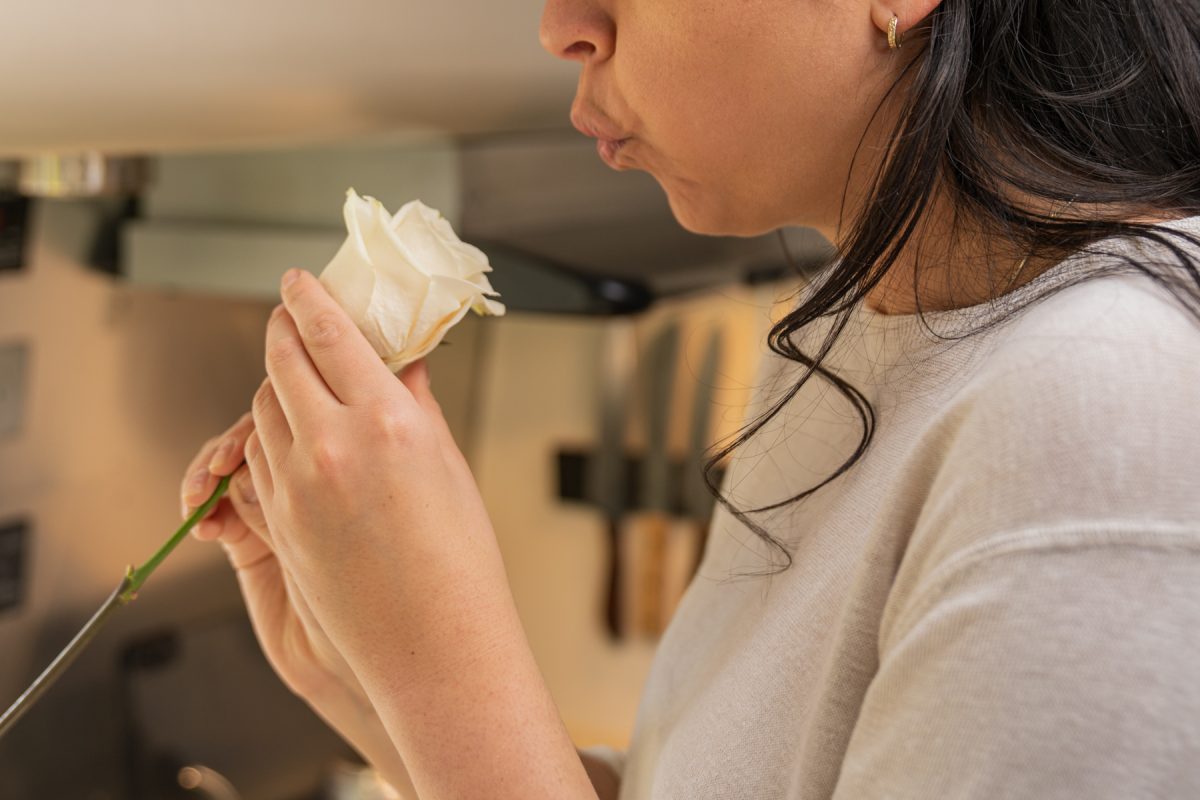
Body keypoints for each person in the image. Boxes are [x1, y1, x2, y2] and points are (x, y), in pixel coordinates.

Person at [181, 0, 1200, 797]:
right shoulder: (849, 335)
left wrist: (433, 665)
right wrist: (358, 662)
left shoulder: (1105, 421)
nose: (562, 25)